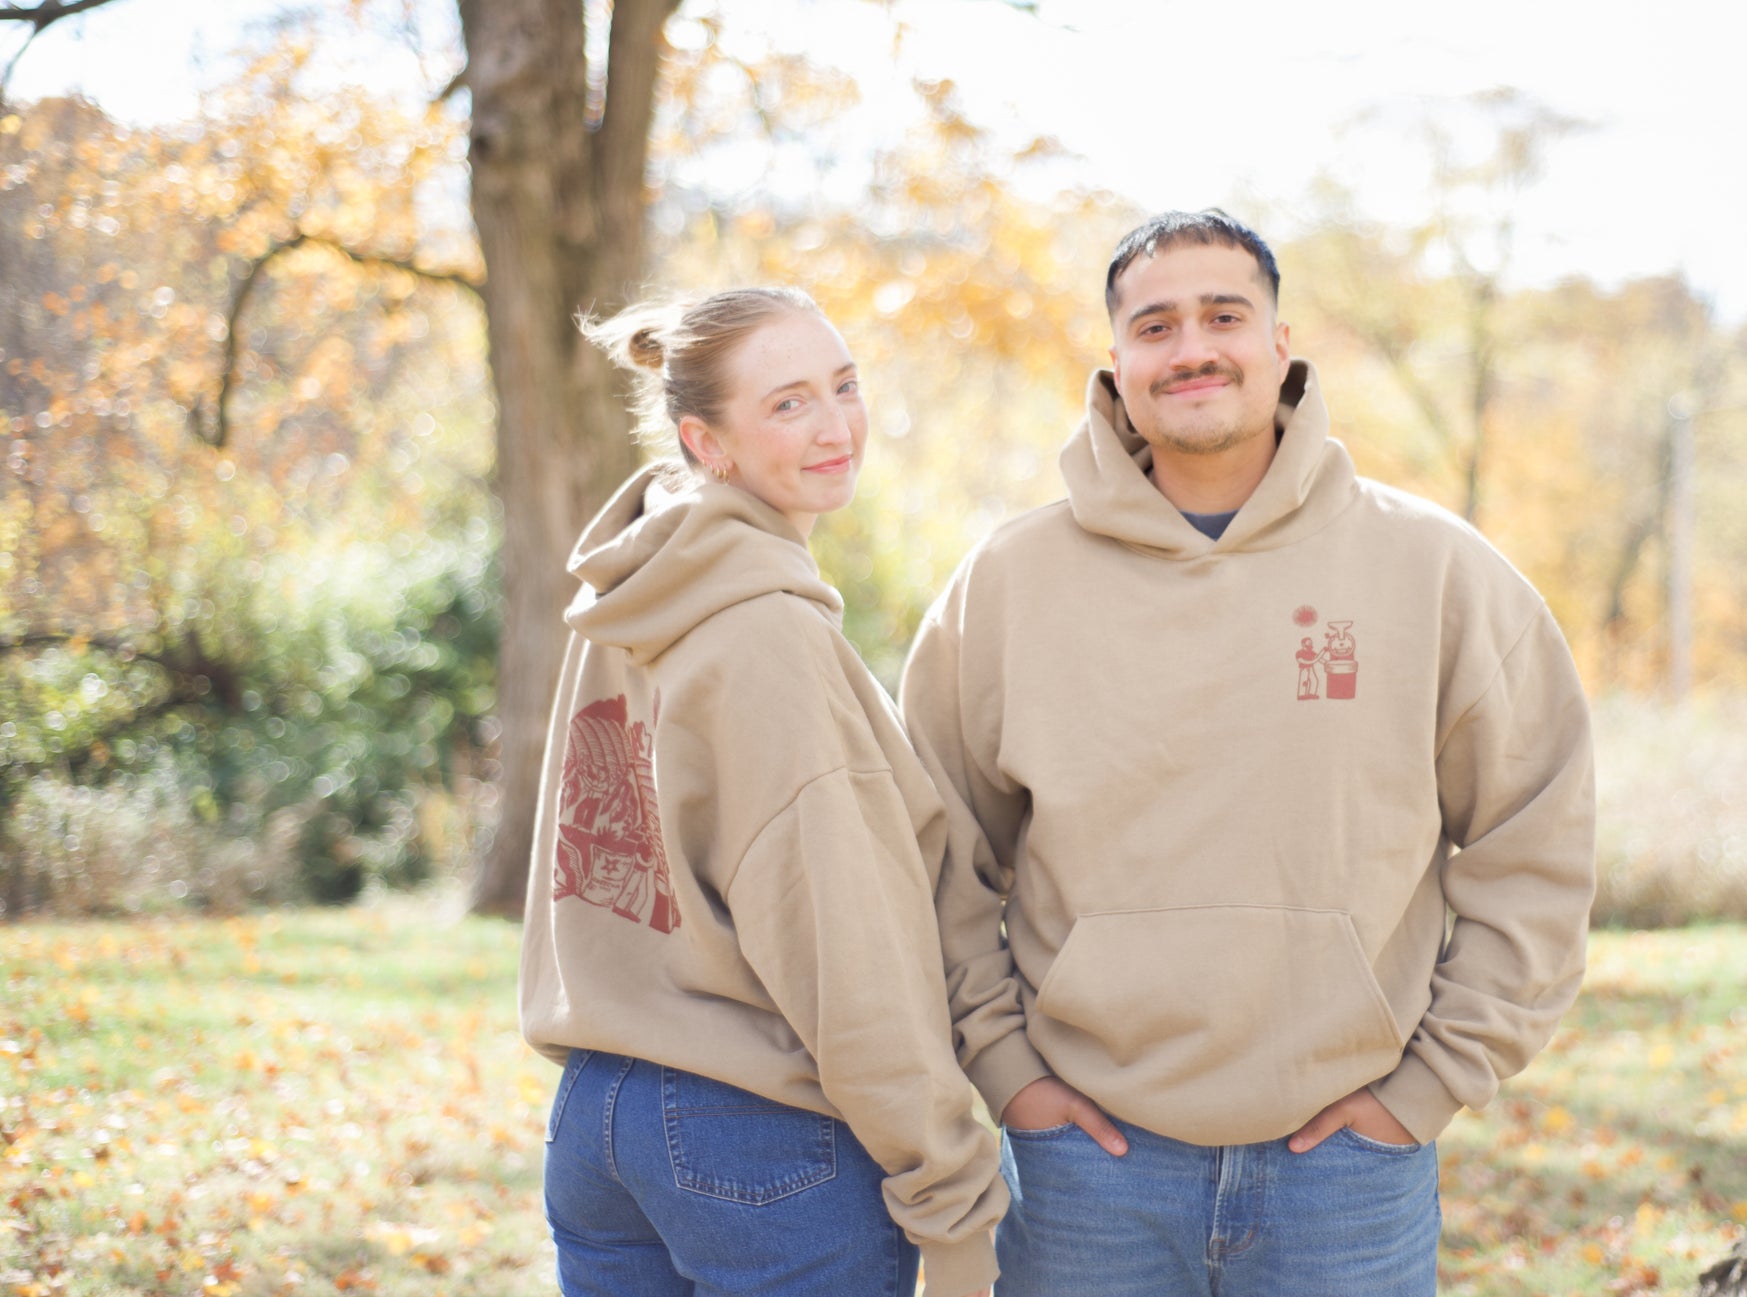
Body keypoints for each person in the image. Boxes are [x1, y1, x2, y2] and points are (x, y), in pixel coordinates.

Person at [900, 211, 1596, 1296]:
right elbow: (934, 851)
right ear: (1116, 364)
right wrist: (1007, 1072)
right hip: (1086, 1165)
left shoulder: (1433, 570)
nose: (1191, 349)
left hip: (1348, 1175)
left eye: (1223, 316)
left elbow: (1535, 842)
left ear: (1279, 346)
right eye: (1154, 326)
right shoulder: (1007, 584)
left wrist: (1425, 1088)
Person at [521, 287, 1006, 1297]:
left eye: (843, 384)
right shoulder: (768, 635)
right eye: (786, 404)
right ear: (709, 441)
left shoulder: (634, 595)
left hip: (598, 1117)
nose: (836, 425)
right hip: (755, 1137)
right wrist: (952, 1200)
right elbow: (840, 939)